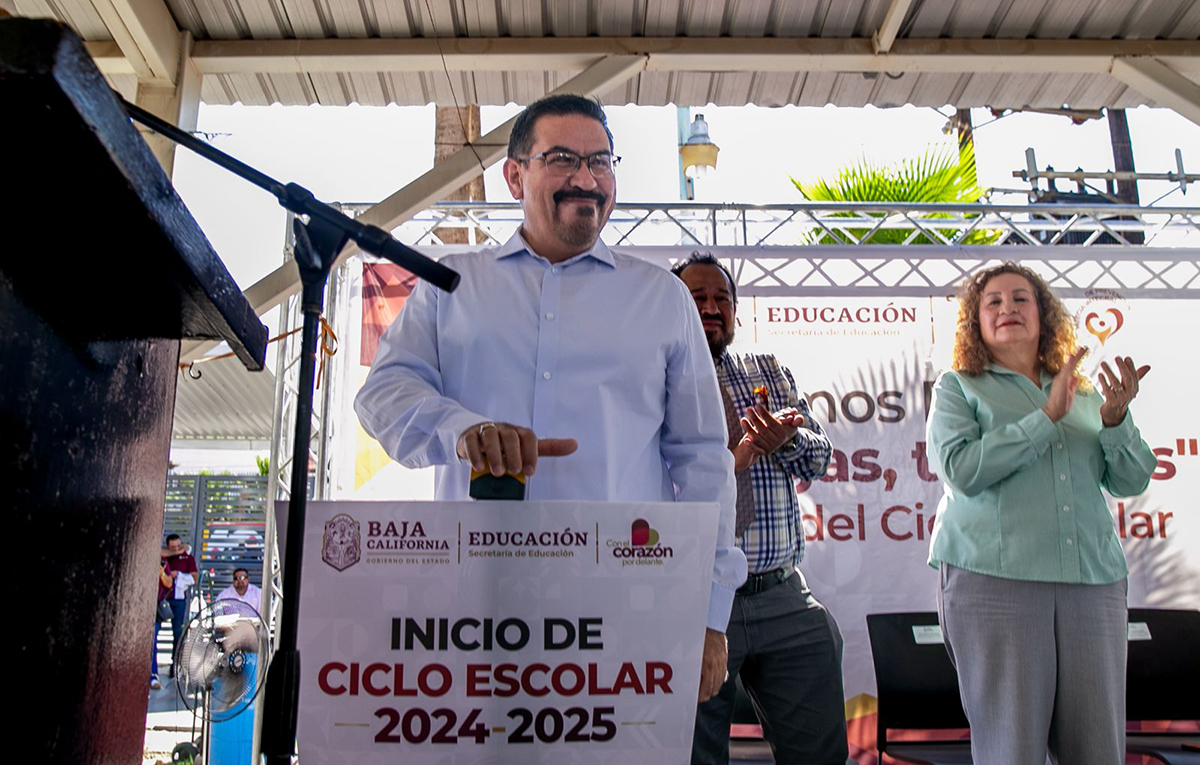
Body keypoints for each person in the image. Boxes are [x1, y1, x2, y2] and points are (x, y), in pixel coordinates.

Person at [355, 94, 747, 701]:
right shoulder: (450, 285)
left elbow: (702, 461)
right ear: (515, 176)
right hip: (475, 605)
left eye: (601, 162)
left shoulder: (661, 298)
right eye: (563, 159)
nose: (586, 179)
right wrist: (461, 430)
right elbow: (382, 396)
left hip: (623, 602)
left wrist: (709, 611)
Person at [927, 261, 1156, 764]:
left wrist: (1115, 420)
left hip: (1092, 582)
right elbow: (961, 470)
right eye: (993, 301)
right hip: (996, 584)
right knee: (1011, 751)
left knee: (1099, 750)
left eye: (1021, 298)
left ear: (1044, 314)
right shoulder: (958, 386)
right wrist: (1047, 416)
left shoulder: (1085, 391)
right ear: (975, 321)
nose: (1007, 308)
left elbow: (1131, 480)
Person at [673, 253, 848, 765]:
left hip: (783, 595)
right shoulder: (654, 378)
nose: (711, 308)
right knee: (695, 757)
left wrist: (785, 441)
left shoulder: (767, 370)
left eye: (721, 298)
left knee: (820, 756)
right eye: (696, 297)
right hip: (694, 600)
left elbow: (820, 460)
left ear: (736, 311)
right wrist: (730, 462)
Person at [152, 533, 198, 688]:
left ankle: (175, 665)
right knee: (154, 633)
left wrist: (179, 575)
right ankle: (153, 670)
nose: (177, 549)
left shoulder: (188, 558)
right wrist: (177, 552)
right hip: (161, 599)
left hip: (178, 600)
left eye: (179, 546)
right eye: (173, 547)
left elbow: (194, 578)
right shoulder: (162, 556)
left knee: (178, 633)